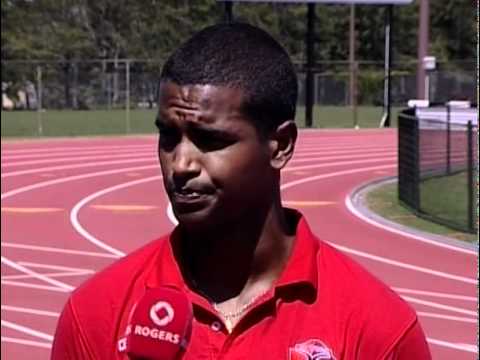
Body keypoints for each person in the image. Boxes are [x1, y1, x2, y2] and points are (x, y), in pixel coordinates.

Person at [51, 23, 431, 359]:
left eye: (210, 140)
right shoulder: (96, 314)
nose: (181, 163)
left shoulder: (380, 330)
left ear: (280, 145)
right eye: (169, 136)